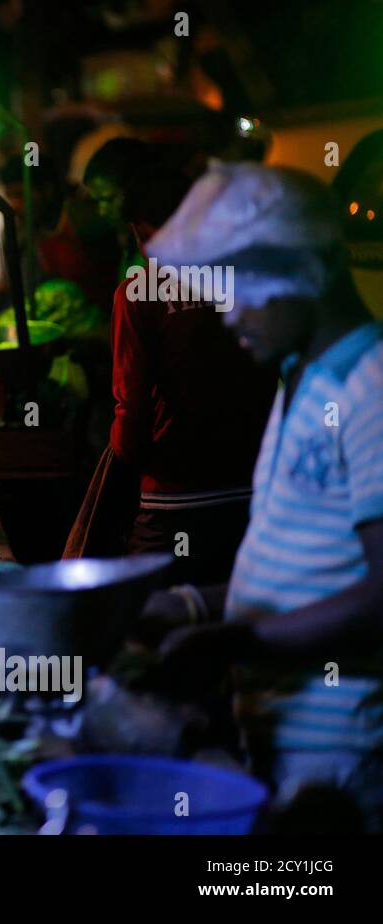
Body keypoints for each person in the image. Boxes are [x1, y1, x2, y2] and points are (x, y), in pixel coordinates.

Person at [141, 163, 383, 829]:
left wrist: (236, 642)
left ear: (304, 275)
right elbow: (307, 559)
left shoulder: (374, 387)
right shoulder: (300, 378)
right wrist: (190, 603)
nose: (230, 317)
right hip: (277, 731)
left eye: (243, 295)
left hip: (345, 750)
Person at [92, 144, 278, 585]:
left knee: (153, 621)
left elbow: (130, 410)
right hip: (255, 492)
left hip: (175, 501)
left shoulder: (138, 293)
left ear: (141, 232)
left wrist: (122, 460)